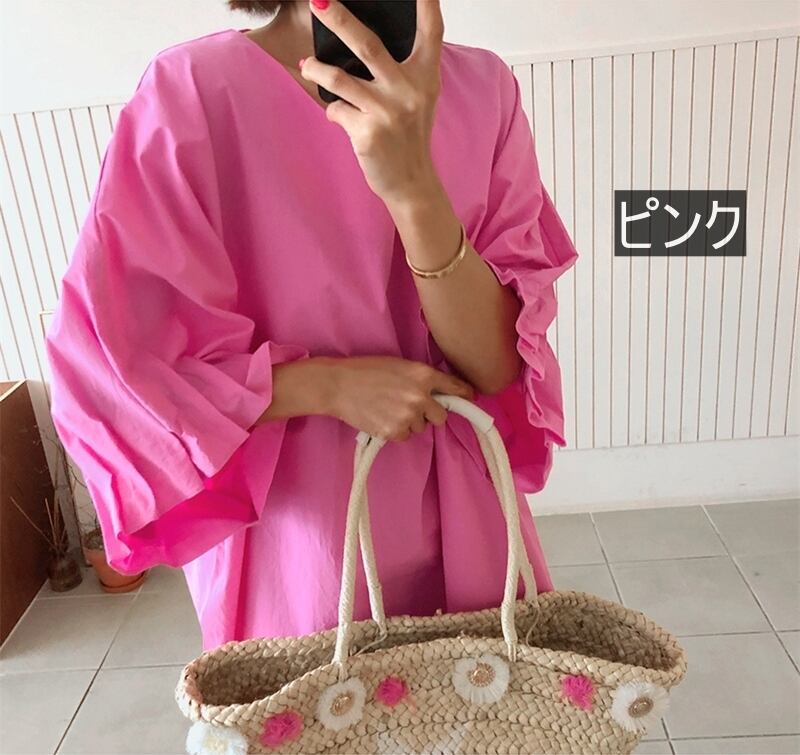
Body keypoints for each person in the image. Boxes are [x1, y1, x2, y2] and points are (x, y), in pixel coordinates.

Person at [44, 0, 578, 652]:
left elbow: (496, 365)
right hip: (300, 536)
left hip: (468, 512)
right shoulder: (195, 92)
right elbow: (115, 365)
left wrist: (414, 190)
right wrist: (326, 385)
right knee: (317, 703)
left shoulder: (484, 90)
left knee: (486, 698)